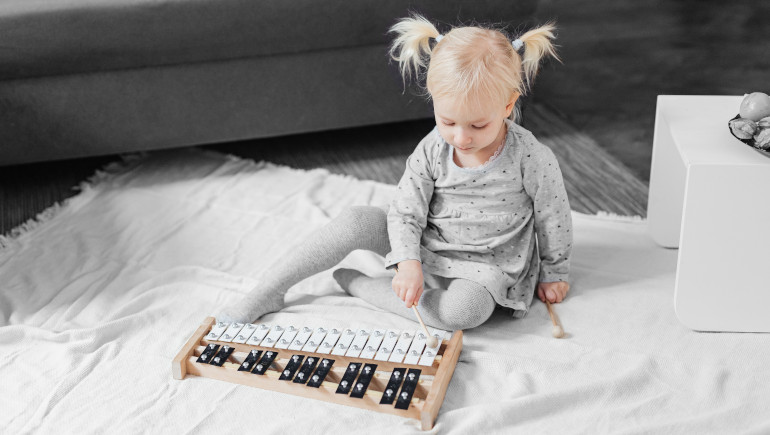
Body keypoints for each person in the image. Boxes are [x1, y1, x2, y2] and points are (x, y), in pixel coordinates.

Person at [217, 14, 572, 330]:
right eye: (448, 121)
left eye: (478, 125)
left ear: (508, 105)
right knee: (355, 221)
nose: (461, 137)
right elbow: (406, 210)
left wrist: (554, 272)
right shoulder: (433, 147)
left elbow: (552, 216)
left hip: (486, 265)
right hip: (426, 242)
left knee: (465, 311)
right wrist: (408, 260)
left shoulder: (531, 157)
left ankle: (361, 286)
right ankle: (268, 291)